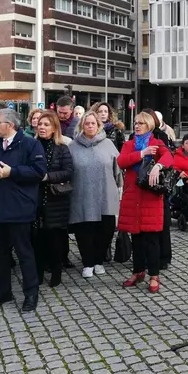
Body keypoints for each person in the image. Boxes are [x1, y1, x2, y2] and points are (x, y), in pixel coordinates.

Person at [0, 108, 46, 312]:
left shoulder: (30, 144)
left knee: (24, 253)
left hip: (19, 209)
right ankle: (3, 291)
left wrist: (12, 172)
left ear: (10, 125)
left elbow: (39, 171)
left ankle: (31, 293)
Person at [118, 112, 174, 293]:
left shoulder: (156, 143)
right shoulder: (129, 144)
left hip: (150, 197)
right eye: (135, 122)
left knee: (151, 239)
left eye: (141, 123)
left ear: (149, 125)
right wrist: (141, 153)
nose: (137, 125)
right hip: (133, 195)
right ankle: (138, 271)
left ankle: (154, 275)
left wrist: (158, 165)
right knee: (136, 238)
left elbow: (169, 157)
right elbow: (121, 161)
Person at [67, 112, 121, 278]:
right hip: (82, 195)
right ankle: (88, 263)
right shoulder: (72, 146)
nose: (90, 126)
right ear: (81, 126)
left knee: (106, 230)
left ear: (99, 125)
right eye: (86, 123)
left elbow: (117, 170)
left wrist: (120, 190)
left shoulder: (109, 144)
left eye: (93, 123)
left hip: (105, 193)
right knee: (84, 231)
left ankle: (98, 261)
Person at [34, 110, 74, 286]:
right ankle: (38, 273)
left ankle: (56, 272)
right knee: (37, 239)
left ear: (54, 128)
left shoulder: (62, 147)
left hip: (56, 199)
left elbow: (68, 171)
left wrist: (47, 177)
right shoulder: (31, 145)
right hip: (35, 198)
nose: (42, 127)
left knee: (55, 239)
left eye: (46, 124)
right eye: (40, 124)